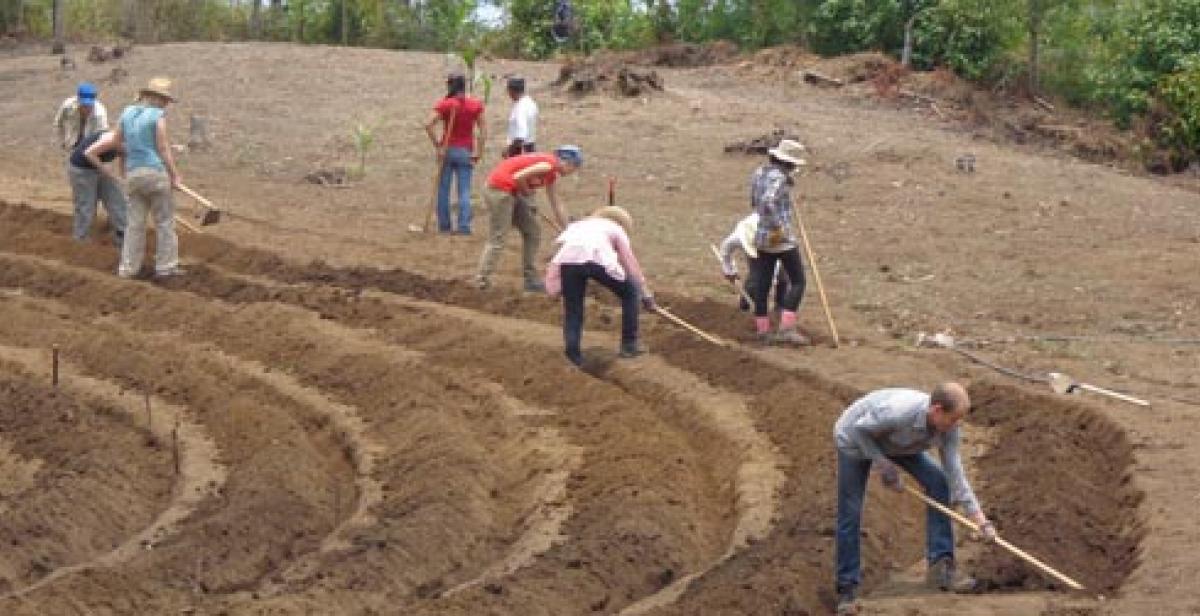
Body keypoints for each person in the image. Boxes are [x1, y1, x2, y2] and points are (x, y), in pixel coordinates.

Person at [832, 383, 997, 616]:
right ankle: (847, 589)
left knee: (939, 482)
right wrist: (882, 464)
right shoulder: (898, 412)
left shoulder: (949, 428)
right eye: (952, 419)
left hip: (899, 443)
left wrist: (981, 521)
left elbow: (955, 474)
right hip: (855, 439)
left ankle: (941, 569)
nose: (955, 425)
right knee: (851, 512)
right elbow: (859, 431)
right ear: (936, 410)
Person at [545, 206, 655, 366]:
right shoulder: (617, 230)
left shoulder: (578, 226)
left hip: (569, 263)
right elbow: (630, 263)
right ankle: (629, 345)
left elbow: (559, 258)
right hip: (596, 259)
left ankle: (573, 354)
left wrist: (553, 287)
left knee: (573, 310)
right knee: (631, 292)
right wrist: (645, 295)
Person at [475, 146, 580, 292]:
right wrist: (526, 192)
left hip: (512, 192)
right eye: (574, 168)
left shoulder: (552, 174)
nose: (572, 172)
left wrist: (566, 230)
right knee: (498, 237)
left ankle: (530, 279)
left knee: (533, 231)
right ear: (569, 163)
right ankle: (482, 280)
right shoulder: (548, 165)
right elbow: (518, 177)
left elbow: (556, 203)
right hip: (498, 190)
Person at [110, 77, 184, 279]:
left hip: (134, 174)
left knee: (134, 224)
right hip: (155, 173)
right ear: (158, 99)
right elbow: (162, 148)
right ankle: (166, 267)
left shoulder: (127, 113)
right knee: (164, 222)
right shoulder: (157, 116)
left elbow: (116, 142)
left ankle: (127, 269)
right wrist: (174, 175)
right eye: (165, 100)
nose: (166, 104)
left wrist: (131, 157)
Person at [747, 139, 809, 345]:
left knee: (763, 284)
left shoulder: (759, 173)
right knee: (798, 280)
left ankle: (763, 330)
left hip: (761, 236)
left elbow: (755, 202)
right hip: (779, 238)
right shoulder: (780, 179)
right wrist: (778, 226)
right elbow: (766, 201)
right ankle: (786, 329)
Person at [423, 73, 486, 235]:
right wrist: (479, 151)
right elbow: (483, 130)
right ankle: (463, 226)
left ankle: (445, 226)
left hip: (447, 149)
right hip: (465, 151)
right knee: (464, 190)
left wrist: (437, 145)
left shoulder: (446, 104)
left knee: (443, 189)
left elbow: (428, 124)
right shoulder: (474, 105)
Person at [718, 212, 790, 314]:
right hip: (754, 247)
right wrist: (729, 270)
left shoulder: (775, 236)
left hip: (775, 246)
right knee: (756, 277)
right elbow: (726, 250)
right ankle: (744, 308)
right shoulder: (739, 237)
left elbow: (775, 267)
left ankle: (779, 309)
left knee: (783, 274)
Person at [71, 129, 128, 245]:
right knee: (87, 204)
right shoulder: (111, 139)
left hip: (99, 165)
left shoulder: (130, 143)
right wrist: (107, 172)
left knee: (117, 199)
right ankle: (81, 239)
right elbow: (89, 153)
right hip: (82, 168)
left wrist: (124, 180)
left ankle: (122, 235)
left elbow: (123, 158)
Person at [53, 82, 109, 151]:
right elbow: (59, 123)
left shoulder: (100, 114)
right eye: (84, 105)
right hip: (72, 141)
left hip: (91, 145)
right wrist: (62, 141)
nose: (87, 109)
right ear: (78, 100)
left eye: (89, 106)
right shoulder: (67, 105)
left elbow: (102, 136)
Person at [503, 77, 538, 158]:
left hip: (520, 151)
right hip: (530, 149)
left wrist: (509, 150)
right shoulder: (530, 102)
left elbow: (520, 135)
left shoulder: (520, 108)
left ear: (511, 90)